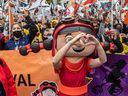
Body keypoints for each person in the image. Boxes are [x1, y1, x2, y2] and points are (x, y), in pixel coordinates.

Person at [52, 18, 107, 96]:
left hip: (82, 93)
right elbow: (54, 61)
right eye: (69, 39)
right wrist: (71, 42)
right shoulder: (62, 61)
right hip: (64, 94)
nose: (78, 44)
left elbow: (103, 60)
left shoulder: (86, 62)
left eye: (84, 40)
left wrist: (97, 44)